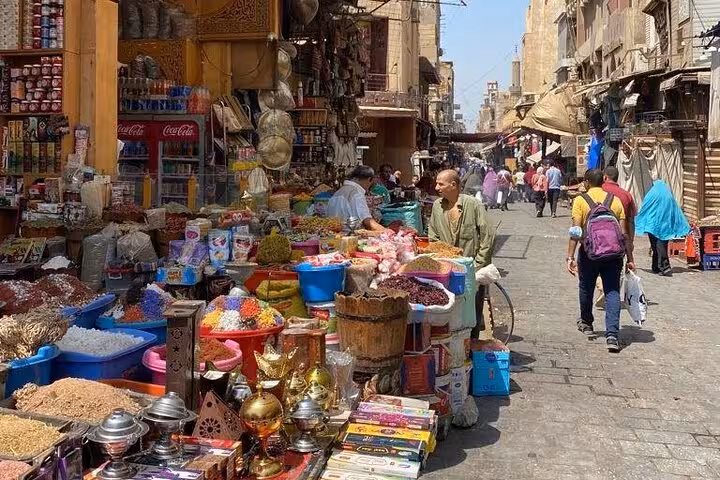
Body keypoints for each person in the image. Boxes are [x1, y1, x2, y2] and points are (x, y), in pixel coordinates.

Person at [566, 169, 634, 352]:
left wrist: (570, 257)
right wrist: (630, 258)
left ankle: (586, 322)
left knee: (586, 287)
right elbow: (624, 233)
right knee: (612, 291)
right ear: (602, 181)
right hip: (614, 255)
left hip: (589, 254)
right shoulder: (615, 201)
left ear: (587, 182)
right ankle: (612, 335)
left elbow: (575, 232)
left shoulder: (580, 200)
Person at [428, 170, 495, 339]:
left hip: (472, 272)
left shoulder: (473, 205)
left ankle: (471, 347)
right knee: (449, 315)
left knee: (471, 315)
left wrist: (477, 264)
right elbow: (433, 236)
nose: (437, 187)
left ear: (454, 185)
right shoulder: (437, 206)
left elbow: (488, 235)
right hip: (446, 272)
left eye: (440, 184)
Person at [635, 178, 691, 276]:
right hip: (665, 225)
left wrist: (639, 219)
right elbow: (675, 210)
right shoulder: (668, 195)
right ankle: (656, 266)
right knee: (661, 245)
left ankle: (665, 267)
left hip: (652, 225)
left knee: (656, 245)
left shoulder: (652, 194)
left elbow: (645, 207)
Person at [327, 165, 385, 232]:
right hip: (350, 237)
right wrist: (385, 231)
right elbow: (367, 220)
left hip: (334, 236)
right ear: (369, 179)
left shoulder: (338, 192)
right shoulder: (357, 193)